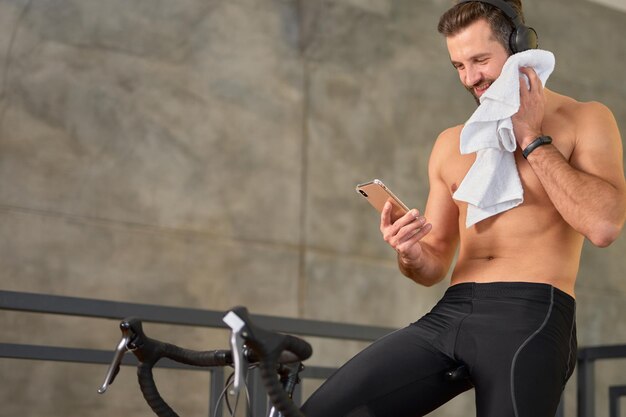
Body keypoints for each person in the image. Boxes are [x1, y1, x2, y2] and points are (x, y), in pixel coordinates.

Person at [300, 1, 626, 416]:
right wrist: (411, 253)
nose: (471, 78)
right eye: (458, 66)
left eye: (479, 60)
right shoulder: (451, 144)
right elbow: (433, 263)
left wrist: (532, 138)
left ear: (519, 44)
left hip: (531, 312)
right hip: (452, 311)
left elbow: (603, 226)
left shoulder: (585, 119)